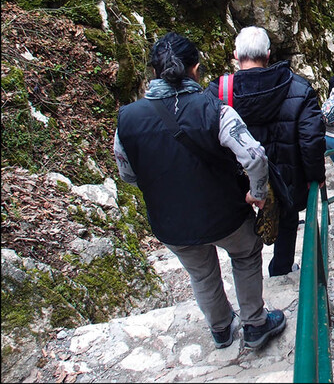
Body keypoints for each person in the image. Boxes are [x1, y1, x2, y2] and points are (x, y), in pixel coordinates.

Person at [113, 32, 286, 351]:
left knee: (201, 273)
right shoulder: (215, 110)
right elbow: (255, 156)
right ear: (195, 68)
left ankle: (221, 330)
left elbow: (128, 175)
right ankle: (255, 323)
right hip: (226, 214)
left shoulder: (127, 119)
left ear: (153, 72)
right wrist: (257, 192)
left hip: (171, 223)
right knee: (246, 255)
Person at [206, 26, 326, 277]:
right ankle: (281, 268)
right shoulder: (298, 88)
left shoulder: (219, 92)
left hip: (238, 181)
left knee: (241, 225)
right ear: (269, 54)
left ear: (236, 54)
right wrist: (316, 175)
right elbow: (311, 139)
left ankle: (247, 281)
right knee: (287, 219)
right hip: (285, 175)